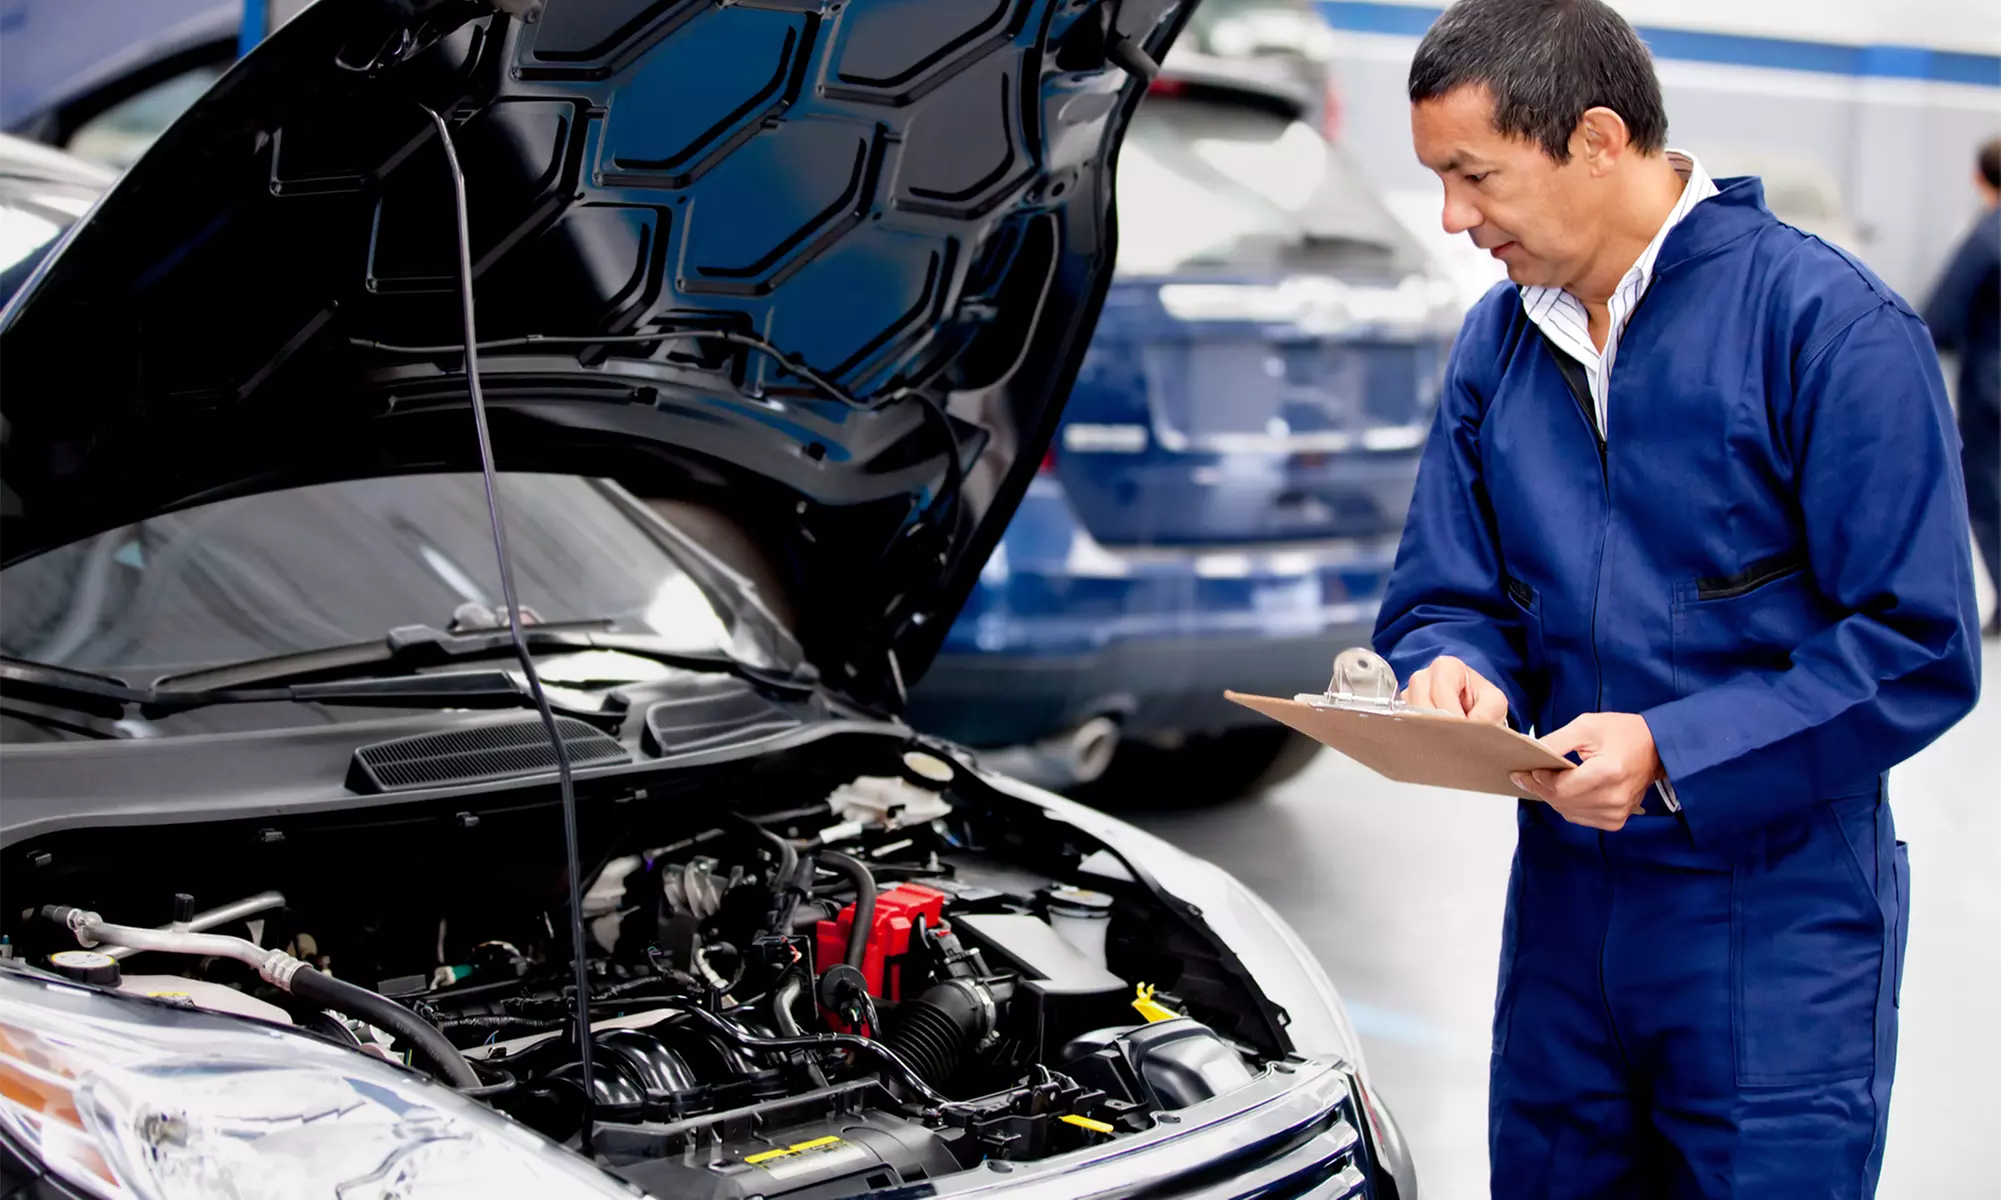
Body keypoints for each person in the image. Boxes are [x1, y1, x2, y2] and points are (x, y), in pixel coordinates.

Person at [1370, 2, 1983, 1196]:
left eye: (1473, 175)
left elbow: (1920, 643)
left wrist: (1671, 748)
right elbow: (1446, 587)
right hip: (1561, 915)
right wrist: (1454, 665)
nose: (1454, 218)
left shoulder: (1831, 332)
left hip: (1774, 928)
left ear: (1597, 139)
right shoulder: (1500, 343)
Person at [1923, 137, 2001, 637]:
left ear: (1979, 179)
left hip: (1992, 393)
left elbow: (1941, 317)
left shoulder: (1986, 238)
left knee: (1989, 495)